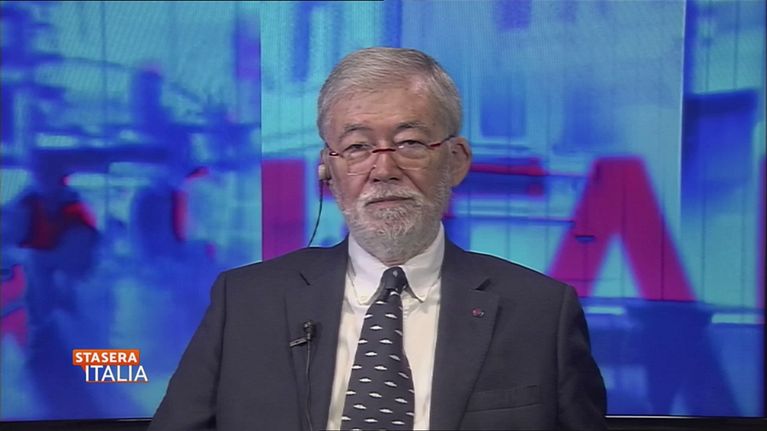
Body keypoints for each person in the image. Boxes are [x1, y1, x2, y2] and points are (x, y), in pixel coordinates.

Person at [150, 47, 606, 430]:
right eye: (357, 147)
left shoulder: (541, 313)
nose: (383, 169)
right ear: (328, 170)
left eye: (409, 143)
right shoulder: (244, 302)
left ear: (456, 160)